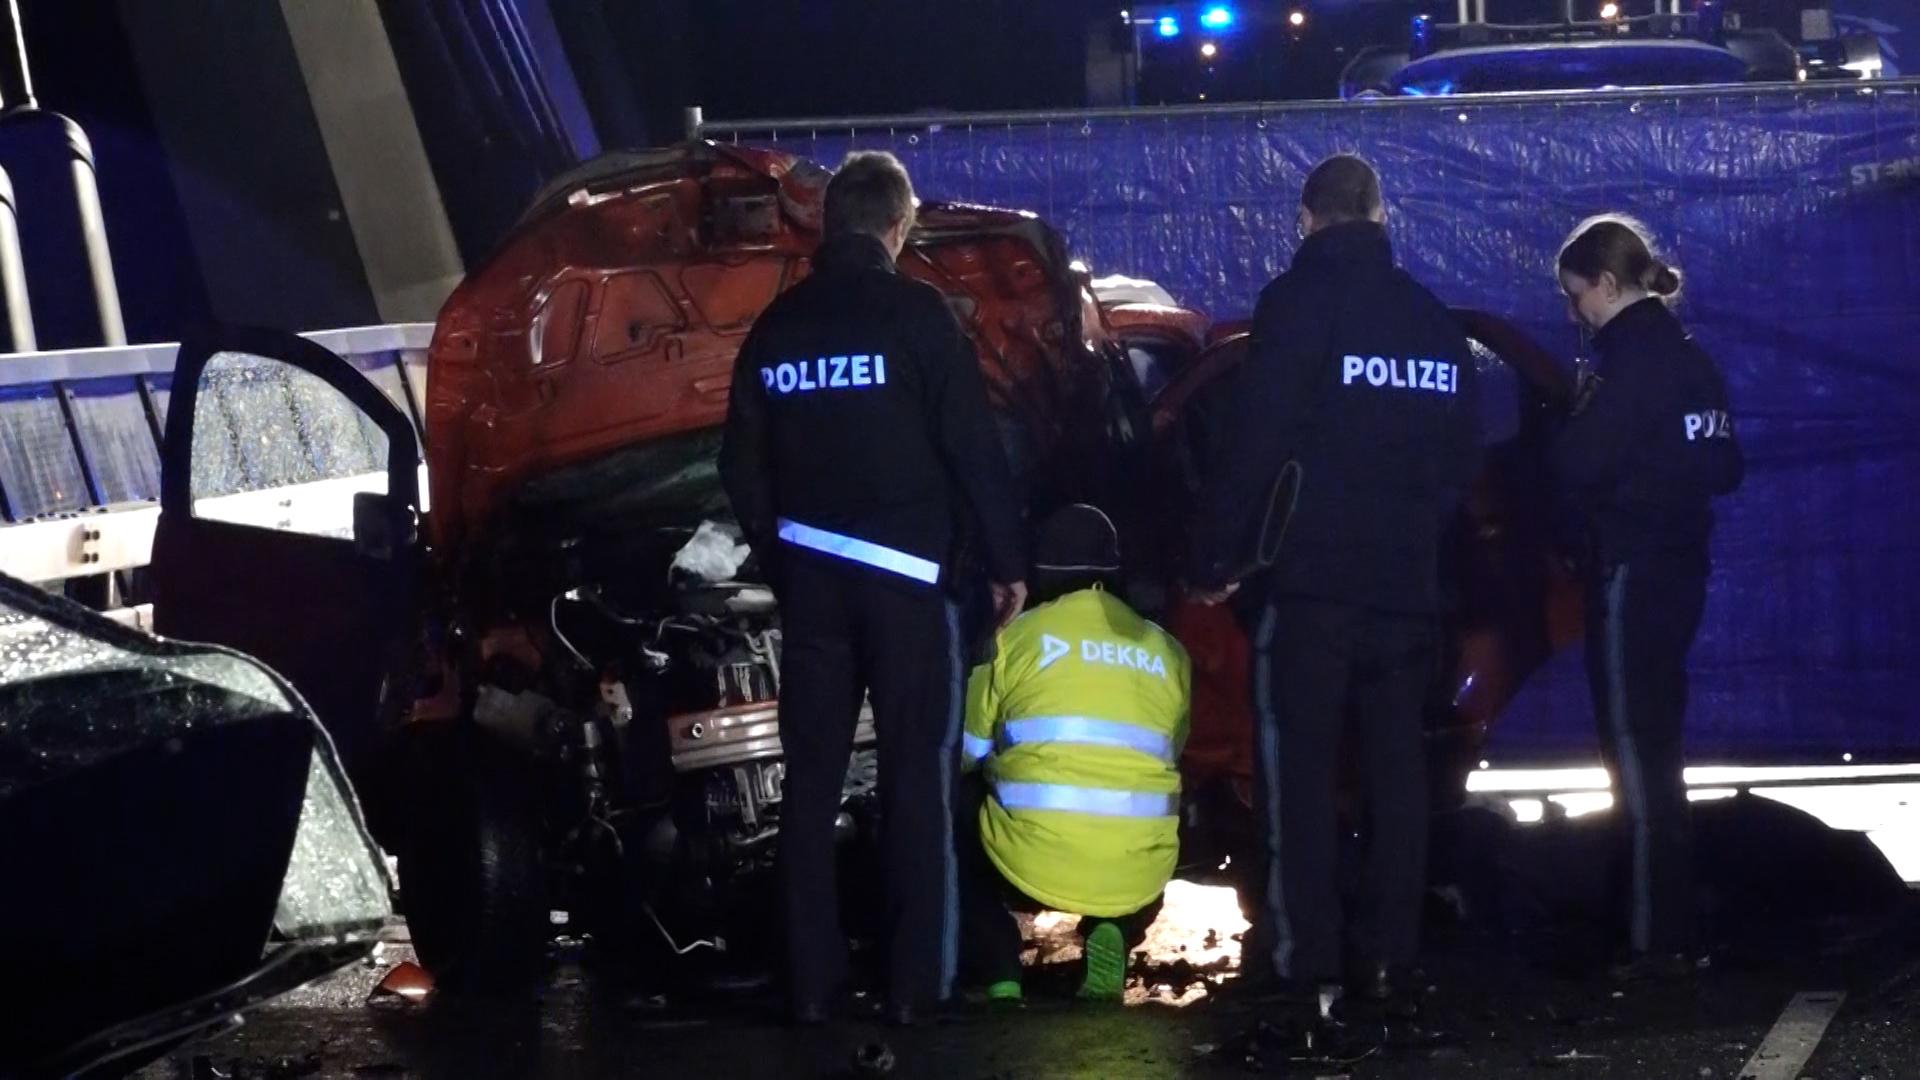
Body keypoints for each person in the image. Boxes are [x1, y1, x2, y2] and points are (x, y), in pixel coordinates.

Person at [718, 151, 1028, 1026]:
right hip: (910, 592)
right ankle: (915, 990)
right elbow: (975, 449)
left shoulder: (778, 328)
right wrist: (1007, 566)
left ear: (827, 227)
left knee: (809, 790)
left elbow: (739, 464)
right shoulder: (920, 316)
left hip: (813, 595)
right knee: (915, 788)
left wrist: (786, 559)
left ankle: (813, 991)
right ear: (900, 227)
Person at [1186, 154, 1483, 1016]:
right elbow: (1462, 458)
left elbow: (1253, 444)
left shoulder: (1297, 303)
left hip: (1311, 586)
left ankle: (1302, 954)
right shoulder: (1430, 322)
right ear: (1381, 215)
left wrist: (1213, 560)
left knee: (1299, 774)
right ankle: (1391, 957)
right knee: (1398, 776)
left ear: (1308, 219)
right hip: (1405, 589)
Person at [1551, 216, 1742, 981]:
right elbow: (1726, 464)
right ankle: (1665, 925)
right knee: (1655, 748)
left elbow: (1574, 466)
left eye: (1577, 298)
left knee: (1636, 753)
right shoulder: (1691, 362)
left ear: (1605, 284)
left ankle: (1652, 937)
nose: (1574, 315)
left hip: (1631, 572)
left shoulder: (1628, 367)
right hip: (1678, 569)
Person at [956, 503, 1190, 1003]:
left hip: (1024, 865)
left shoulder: (1011, 640)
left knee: (950, 800)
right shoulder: (1168, 650)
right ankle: (1115, 927)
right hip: (1134, 871)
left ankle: (997, 964)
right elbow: (1173, 750)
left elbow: (966, 752)